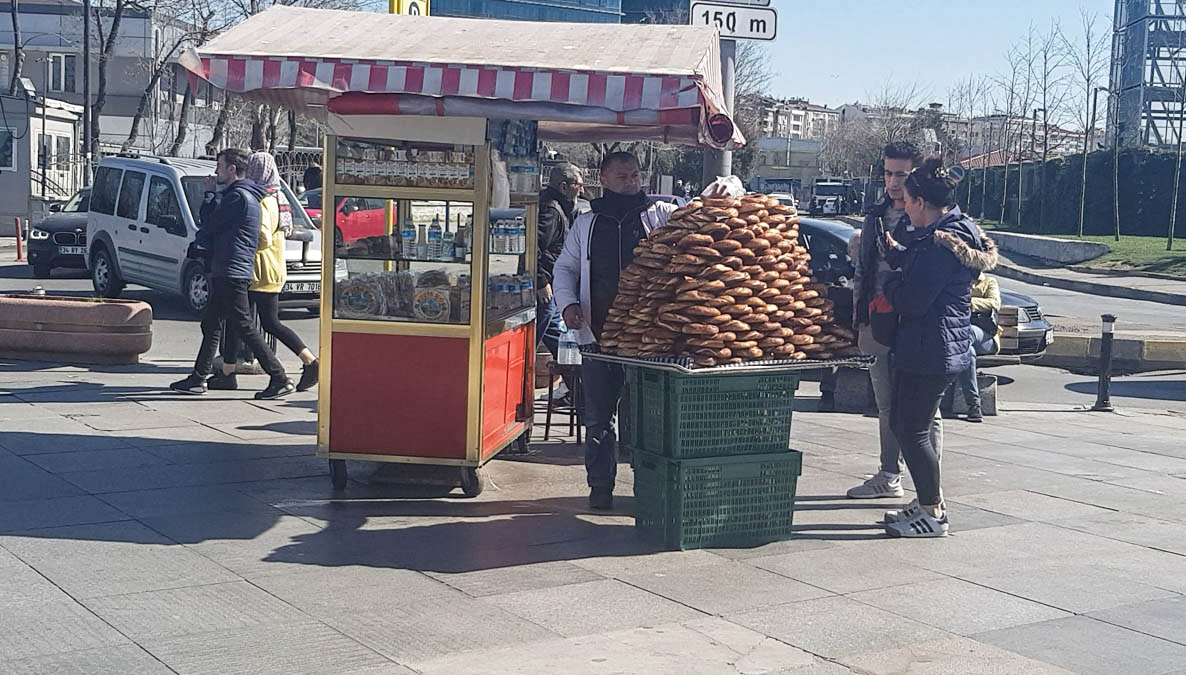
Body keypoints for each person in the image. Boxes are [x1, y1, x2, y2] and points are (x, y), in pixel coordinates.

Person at [881, 157, 998, 537]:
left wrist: (889, 287)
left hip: (932, 347)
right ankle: (928, 502)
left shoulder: (941, 244)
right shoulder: (946, 234)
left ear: (920, 202)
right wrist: (896, 251)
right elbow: (920, 266)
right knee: (904, 423)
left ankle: (933, 513)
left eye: (908, 201)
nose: (905, 207)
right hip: (932, 344)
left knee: (912, 430)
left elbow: (915, 299)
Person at [553, 152, 677, 510]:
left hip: (649, 341)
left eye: (635, 175)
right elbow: (565, 270)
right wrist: (568, 305)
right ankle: (600, 485)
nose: (630, 181)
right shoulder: (585, 224)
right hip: (598, 336)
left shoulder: (660, 217)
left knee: (647, 418)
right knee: (598, 417)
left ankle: (648, 486)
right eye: (622, 176)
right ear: (603, 179)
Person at [846, 140, 945, 500]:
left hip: (918, 326)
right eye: (887, 173)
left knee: (924, 413)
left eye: (901, 175)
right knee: (886, 404)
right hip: (881, 322)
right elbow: (863, 270)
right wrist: (861, 318)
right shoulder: (875, 214)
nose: (892, 182)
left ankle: (930, 490)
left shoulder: (932, 215)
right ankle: (889, 475)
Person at [170, 148, 295, 400]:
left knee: (244, 326)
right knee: (212, 322)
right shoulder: (243, 195)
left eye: (219, 165)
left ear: (232, 169)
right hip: (229, 267)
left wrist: (208, 195)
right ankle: (198, 377)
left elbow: (210, 223)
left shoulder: (238, 197)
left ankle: (279, 377)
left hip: (231, 269)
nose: (215, 171)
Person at [208, 152, 320, 394]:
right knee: (238, 320)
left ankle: (308, 362)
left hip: (259, 268)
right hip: (271, 266)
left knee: (263, 323)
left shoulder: (261, 200)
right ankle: (228, 370)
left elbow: (262, 236)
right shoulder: (278, 196)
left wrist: (241, 239)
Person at [533, 163, 583, 370]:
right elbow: (533, 246)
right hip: (545, 286)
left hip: (553, 286)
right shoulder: (551, 210)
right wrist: (540, 281)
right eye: (578, 185)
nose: (581, 189)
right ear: (564, 186)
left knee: (558, 337)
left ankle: (575, 386)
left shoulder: (563, 208)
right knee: (533, 339)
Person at [949, 272, 1001, 422]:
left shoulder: (989, 282)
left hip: (985, 338)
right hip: (960, 339)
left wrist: (968, 302)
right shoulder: (957, 279)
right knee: (968, 352)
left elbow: (994, 302)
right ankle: (974, 406)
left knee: (968, 331)